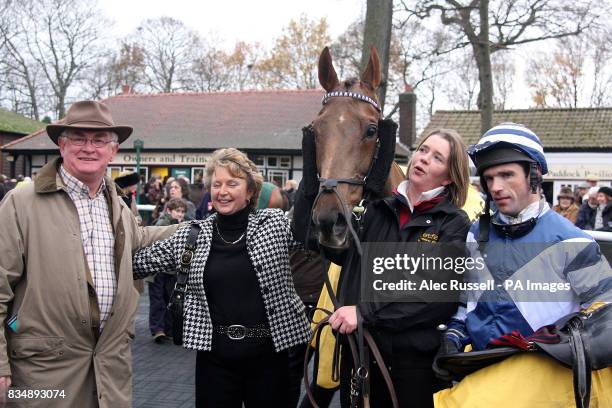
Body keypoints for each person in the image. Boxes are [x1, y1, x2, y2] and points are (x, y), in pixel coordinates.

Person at [0, 100, 176, 407]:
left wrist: (205, 230)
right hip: (41, 375)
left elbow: (141, 242)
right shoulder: (21, 202)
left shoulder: (117, 203)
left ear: (113, 151)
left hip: (109, 371)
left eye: (99, 140)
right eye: (79, 138)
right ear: (62, 146)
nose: (88, 148)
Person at [434, 123, 612, 406]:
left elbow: (605, 313)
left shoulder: (572, 240)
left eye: (506, 175)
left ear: (534, 175)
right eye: (490, 178)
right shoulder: (475, 234)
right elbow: (468, 301)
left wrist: (558, 341)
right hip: (480, 369)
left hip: (543, 382)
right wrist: (455, 332)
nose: (496, 187)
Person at [294, 128, 472, 407]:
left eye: (437, 157)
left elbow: (435, 296)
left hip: (414, 368)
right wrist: (312, 181)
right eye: (423, 150)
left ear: (450, 176)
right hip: (361, 359)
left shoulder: (453, 224)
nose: (424, 159)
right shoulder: (376, 212)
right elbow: (324, 243)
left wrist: (364, 313)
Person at [132, 148, 311, 407]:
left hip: (270, 357)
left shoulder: (274, 224)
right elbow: (138, 264)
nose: (222, 191)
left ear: (250, 191)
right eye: (216, 184)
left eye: (232, 183)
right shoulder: (192, 235)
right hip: (214, 361)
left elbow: (313, 229)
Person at [146, 197, 187, 343]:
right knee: (158, 301)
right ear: (169, 210)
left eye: (182, 211)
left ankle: (166, 329)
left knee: (169, 299)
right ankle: (158, 330)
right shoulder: (163, 223)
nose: (180, 214)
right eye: (178, 211)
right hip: (158, 270)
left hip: (170, 270)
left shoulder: (180, 224)